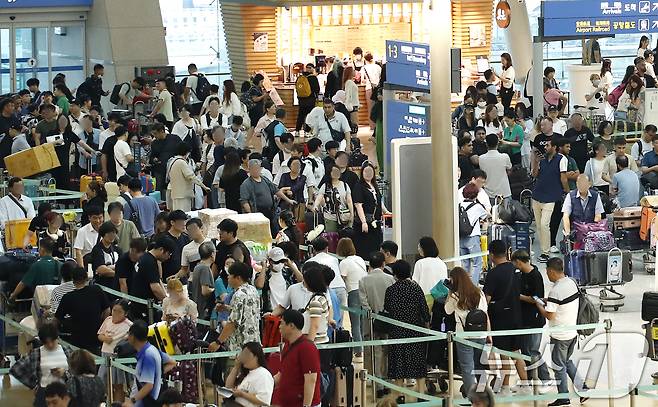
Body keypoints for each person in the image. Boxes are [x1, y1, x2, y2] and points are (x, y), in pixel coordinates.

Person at [535, 258, 590, 407]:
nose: (547, 275)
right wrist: (548, 300)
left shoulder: (556, 290)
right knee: (566, 362)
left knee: (559, 366)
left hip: (560, 336)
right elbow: (561, 303)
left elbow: (550, 315)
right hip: (572, 333)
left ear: (552, 271)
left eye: (547, 272)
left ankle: (564, 396)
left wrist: (538, 305)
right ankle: (583, 388)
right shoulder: (571, 282)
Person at [483, 240, 527, 395]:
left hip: (500, 318)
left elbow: (486, 299)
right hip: (516, 315)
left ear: (492, 255)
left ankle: (506, 387)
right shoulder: (516, 270)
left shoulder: (493, 274)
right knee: (516, 351)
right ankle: (525, 385)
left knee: (503, 353)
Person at [384, 260, 430, 403]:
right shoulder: (416, 288)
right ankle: (421, 393)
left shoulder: (390, 291)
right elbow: (425, 311)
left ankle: (399, 395)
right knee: (417, 362)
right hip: (415, 331)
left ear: (395, 274)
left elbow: (387, 309)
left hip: (396, 332)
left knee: (398, 362)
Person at [510, 250, 552, 392]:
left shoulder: (535, 276)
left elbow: (537, 299)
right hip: (522, 319)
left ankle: (546, 379)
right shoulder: (519, 275)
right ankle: (527, 381)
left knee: (532, 351)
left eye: (514, 263)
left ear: (519, 262)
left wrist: (519, 296)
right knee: (525, 351)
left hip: (534, 320)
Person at [444, 266, 489, 397]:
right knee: (480, 367)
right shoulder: (478, 292)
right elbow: (485, 312)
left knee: (467, 368)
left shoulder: (454, 296)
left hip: (463, 336)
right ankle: (483, 396)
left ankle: (472, 398)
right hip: (480, 334)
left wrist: (449, 293)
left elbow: (447, 311)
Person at [9, 323, 71, 407]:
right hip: (44, 392)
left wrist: (64, 373)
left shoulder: (66, 350)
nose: (50, 345)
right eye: (46, 343)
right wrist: (33, 385)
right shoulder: (37, 353)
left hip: (64, 392)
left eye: (52, 341)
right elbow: (16, 369)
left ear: (57, 338)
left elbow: (75, 372)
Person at [359, 251, 395, 395]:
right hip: (388, 319)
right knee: (386, 350)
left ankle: (377, 382)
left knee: (373, 351)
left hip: (371, 321)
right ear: (383, 264)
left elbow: (363, 302)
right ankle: (387, 381)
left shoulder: (363, 281)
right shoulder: (390, 279)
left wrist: (373, 315)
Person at [207, 262, 261, 352]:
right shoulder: (253, 290)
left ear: (238, 278)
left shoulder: (238, 295)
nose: (228, 277)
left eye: (230, 275)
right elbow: (245, 311)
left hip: (240, 345)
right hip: (253, 342)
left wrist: (218, 342)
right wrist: (226, 308)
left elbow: (233, 322)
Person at [55, 266, 110, 353]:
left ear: (73, 280)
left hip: (77, 341)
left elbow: (57, 318)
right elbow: (107, 310)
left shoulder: (68, 297)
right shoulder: (97, 290)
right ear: (86, 278)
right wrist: (102, 326)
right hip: (96, 339)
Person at [273, 309, 321, 407]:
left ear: (291, 326)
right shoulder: (287, 345)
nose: (279, 327)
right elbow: (282, 374)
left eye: (282, 323)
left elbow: (311, 380)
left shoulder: (307, 348)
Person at [531, 136, 569, 262]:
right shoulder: (541, 160)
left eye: (548, 145)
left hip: (551, 196)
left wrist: (567, 192)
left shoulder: (561, 159)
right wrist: (535, 161)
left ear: (554, 147)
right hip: (537, 195)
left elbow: (563, 178)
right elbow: (535, 175)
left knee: (544, 224)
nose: (545, 147)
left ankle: (545, 252)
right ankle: (543, 250)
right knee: (539, 226)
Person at [124, 320, 176, 407]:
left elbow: (148, 386)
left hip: (145, 403)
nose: (127, 337)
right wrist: (157, 375)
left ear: (133, 336)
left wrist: (132, 401)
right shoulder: (152, 349)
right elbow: (172, 362)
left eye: (128, 334)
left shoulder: (147, 356)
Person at [240, 158, 290, 234]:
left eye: (258, 168)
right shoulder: (246, 184)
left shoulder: (265, 179)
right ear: (249, 169)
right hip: (257, 214)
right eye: (254, 168)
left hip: (271, 212)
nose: (257, 170)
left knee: (274, 232)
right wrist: (251, 215)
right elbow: (244, 201)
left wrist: (288, 200)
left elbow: (276, 190)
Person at [129, 237, 175, 320]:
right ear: (161, 250)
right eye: (169, 254)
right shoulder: (149, 262)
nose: (168, 257)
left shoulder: (147, 258)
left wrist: (166, 296)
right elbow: (155, 288)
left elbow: (157, 280)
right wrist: (169, 304)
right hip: (142, 307)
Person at [337, 238, 367, 354]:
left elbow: (342, 279)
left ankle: (358, 350)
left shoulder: (344, 263)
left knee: (354, 324)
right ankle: (364, 347)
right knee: (362, 323)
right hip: (364, 292)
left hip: (353, 293)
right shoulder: (359, 259)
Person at [352, 162, 388, 258]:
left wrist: (386, 212)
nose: (368, 174)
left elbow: (378, 201)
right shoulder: (359, 186)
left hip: (376, 222)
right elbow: (358, 205)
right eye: (366, 171)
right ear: (362, 173)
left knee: (376, 246)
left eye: (370, 171)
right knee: (365, 248)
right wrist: (364, 222)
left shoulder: (374, 185)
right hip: (365, 222)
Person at [8, 238, 61, 302]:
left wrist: (13, 296)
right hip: (57, 300)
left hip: (41, 300)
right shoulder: (60, 264)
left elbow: (23, 283)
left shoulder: (37, 265)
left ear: (42, 249)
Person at [223, 342, 274, 407]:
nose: (243, 358)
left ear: (256, 356)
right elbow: (228, 386)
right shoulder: (247, 373)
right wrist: (236, 367)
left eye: (246, 355)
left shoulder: (264, 374)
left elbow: (264, 401)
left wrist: (242, 394)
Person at [459, 183, 489, 284]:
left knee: (465, 264)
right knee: (477, 263)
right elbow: (487, 216)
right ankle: (474, 287)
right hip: (472, 238)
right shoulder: (477, 207)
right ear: (476, 194)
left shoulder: (459, 205)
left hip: (461, 238)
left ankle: (464, 286)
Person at [562, 174, 605, 239]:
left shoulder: (595, 195)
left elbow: (598, 215)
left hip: (591, 230)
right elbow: (565, 216)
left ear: (589, 184)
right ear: (577, 184)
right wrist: (568, 233)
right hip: (575, 231)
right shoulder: (570, 195)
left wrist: (592, 229)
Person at [308, 236, 346, 307]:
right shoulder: (334, 259)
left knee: (328, 316)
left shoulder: (310, 262)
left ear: (314, 249)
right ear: (327, 248)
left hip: (327, 290)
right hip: (341, 287)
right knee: (340, 316)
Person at [89, 221, 122, 291]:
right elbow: (102, 270)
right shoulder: (97, 249)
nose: (112, 236)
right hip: (102, 286)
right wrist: (118, 274)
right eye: (109, 233)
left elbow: (124, 266)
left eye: (114, 233)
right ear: (103, 234)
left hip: (116, 285)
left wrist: (109, 268)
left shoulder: (117, 249)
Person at [478, 134, 512, 199]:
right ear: (498, 143)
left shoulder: (481, 158)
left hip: (488, 194)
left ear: (486, 144)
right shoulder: (505, 157)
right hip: (505, 192)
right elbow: (510, 169)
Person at [189, 241, 216, 320]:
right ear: (212, 254)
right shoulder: (205, 268)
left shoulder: (197, 267)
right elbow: (205, 291)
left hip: (196, 307)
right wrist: (216, 289)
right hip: (203, 309)